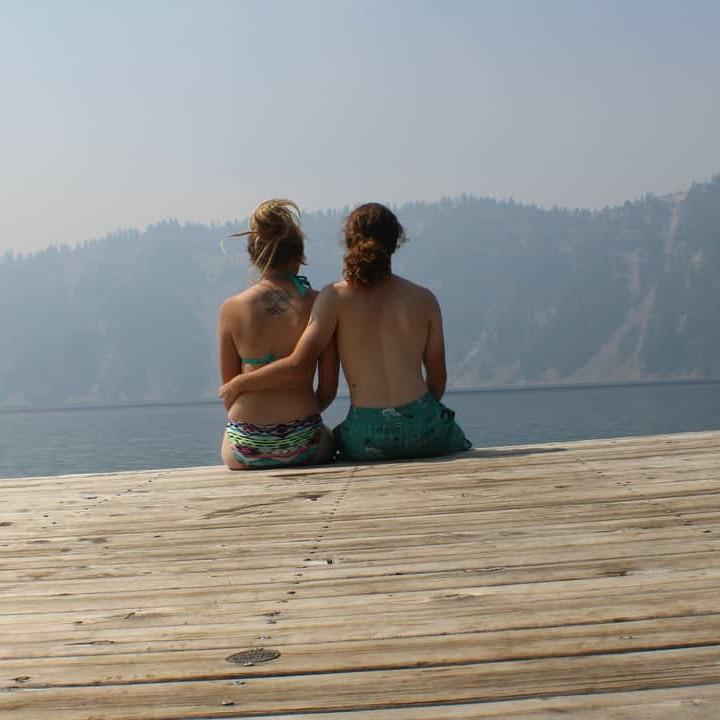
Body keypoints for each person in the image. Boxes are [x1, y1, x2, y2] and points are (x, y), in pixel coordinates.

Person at [219, 202, 471, 462]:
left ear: (349, 241)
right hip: (418, 427)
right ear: (395, 243)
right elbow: (437, 380)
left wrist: (239, 383)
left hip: (362, 437)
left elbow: (294, 365)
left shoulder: (334, 298)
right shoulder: (424, 299)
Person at [218, 199, 338, 469]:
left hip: (245, 445)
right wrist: (300, 410)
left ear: (255, 258)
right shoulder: (320, 303)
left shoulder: (231, 308)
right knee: (334, 439)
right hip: (305, 440)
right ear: (300, 257)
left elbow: (230, 389)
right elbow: (328, 389)